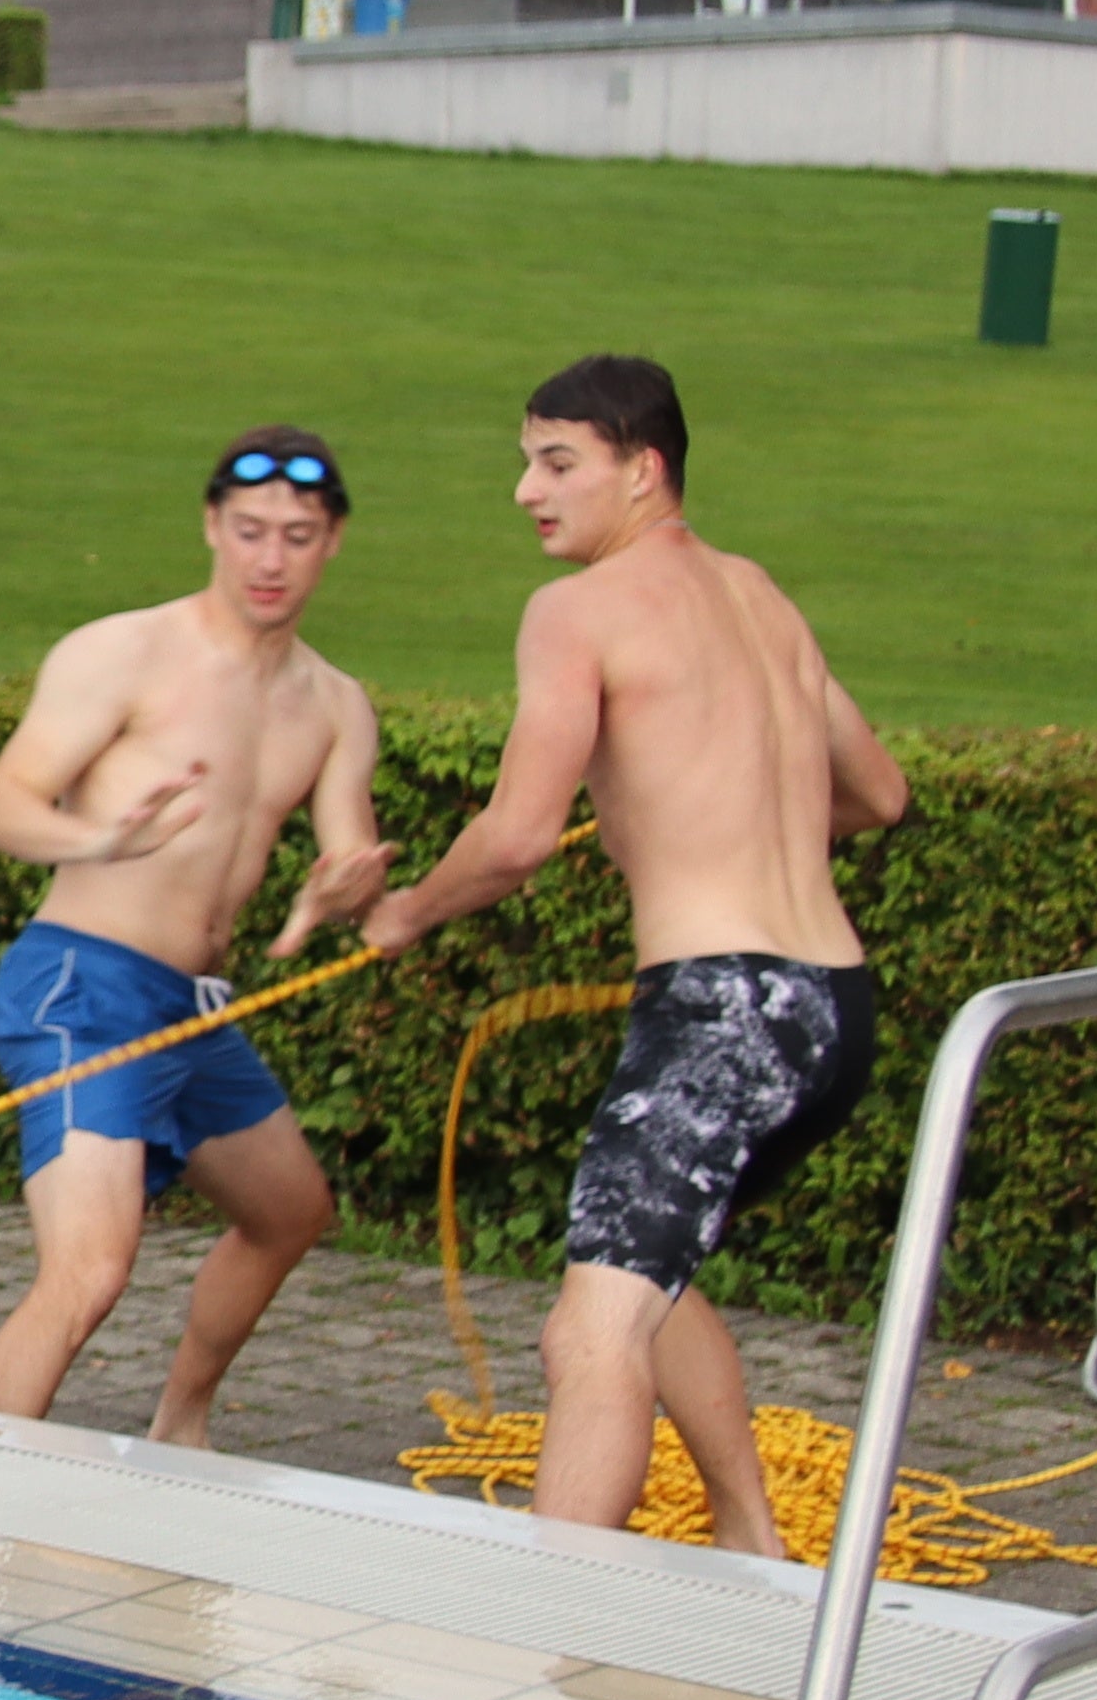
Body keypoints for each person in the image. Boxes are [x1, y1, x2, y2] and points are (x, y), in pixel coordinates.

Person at [357, 354, 910, 1550]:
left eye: (557, 463)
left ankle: (541, 1668)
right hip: (833, 1010)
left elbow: (512, 840)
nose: (525, 491)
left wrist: (402, 912)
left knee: (587, 1333)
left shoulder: (575, 612)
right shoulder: (759, 593)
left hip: (725, 1013)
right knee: (658, 1269)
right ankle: (752, 1537)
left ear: (642, 469)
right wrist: (704, 810)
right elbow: (877, 792)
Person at [0, 429, 394, 1448]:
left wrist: (336, 895)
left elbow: (350, 859)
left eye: (296, 535)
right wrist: (101, 835)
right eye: (249, 532)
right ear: (212, 527)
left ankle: (181, 1422)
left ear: (332, 542)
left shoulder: (336, 705)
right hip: (81, 985)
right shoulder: (125, 652)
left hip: (192, 1010)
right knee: (90, 1270)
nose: (270, 559)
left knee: (290, 1212)